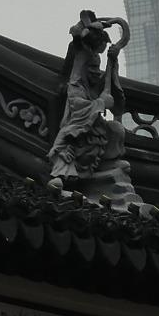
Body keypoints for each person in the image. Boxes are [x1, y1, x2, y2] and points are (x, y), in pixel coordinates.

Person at [46, 11, 124, 189]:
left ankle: (110, 162)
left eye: (98, 65)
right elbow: (78, 107)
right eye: (93, 66)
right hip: (77, 132)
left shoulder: (92, 84)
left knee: (116, 130)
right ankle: (61, 174)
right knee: (68, 141)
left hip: (95, 133)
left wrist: (113, 63)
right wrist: (101, 103)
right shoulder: (76, 86)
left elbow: (109, 91)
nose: (96, 70)